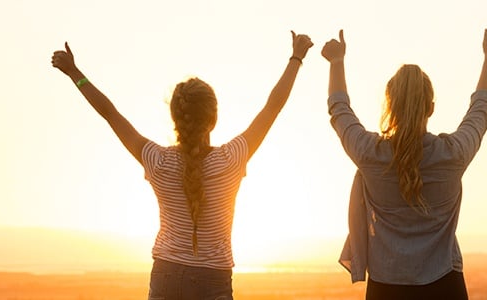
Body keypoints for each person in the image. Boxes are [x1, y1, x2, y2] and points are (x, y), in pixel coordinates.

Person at [51, 31, 313, 300]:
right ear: (213, 119)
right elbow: (272, 107)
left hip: (166, 276)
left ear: (175, 118)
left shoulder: (157, 160)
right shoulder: (231, 160)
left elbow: (110, 114)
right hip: (214, 280)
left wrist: (75, 73)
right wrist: (296, 58)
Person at [321, 29, 487, 299]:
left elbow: (339, 110)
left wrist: (337, 62)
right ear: (430, 108)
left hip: (385, 289)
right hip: (445, 285)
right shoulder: (452, 155)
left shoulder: (370, 154)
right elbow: (480, 110)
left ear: (390, 106)